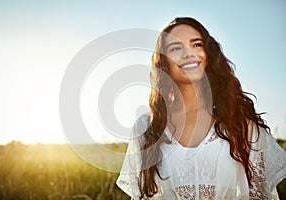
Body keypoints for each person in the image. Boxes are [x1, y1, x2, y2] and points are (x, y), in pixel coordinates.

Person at [116, 17, 286, 199]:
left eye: (196, 44)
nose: (188, 53)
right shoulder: (146, 127)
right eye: (175, 48)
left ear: (208, 54)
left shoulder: (240, 120)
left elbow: (260, 195)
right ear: (164, 62)